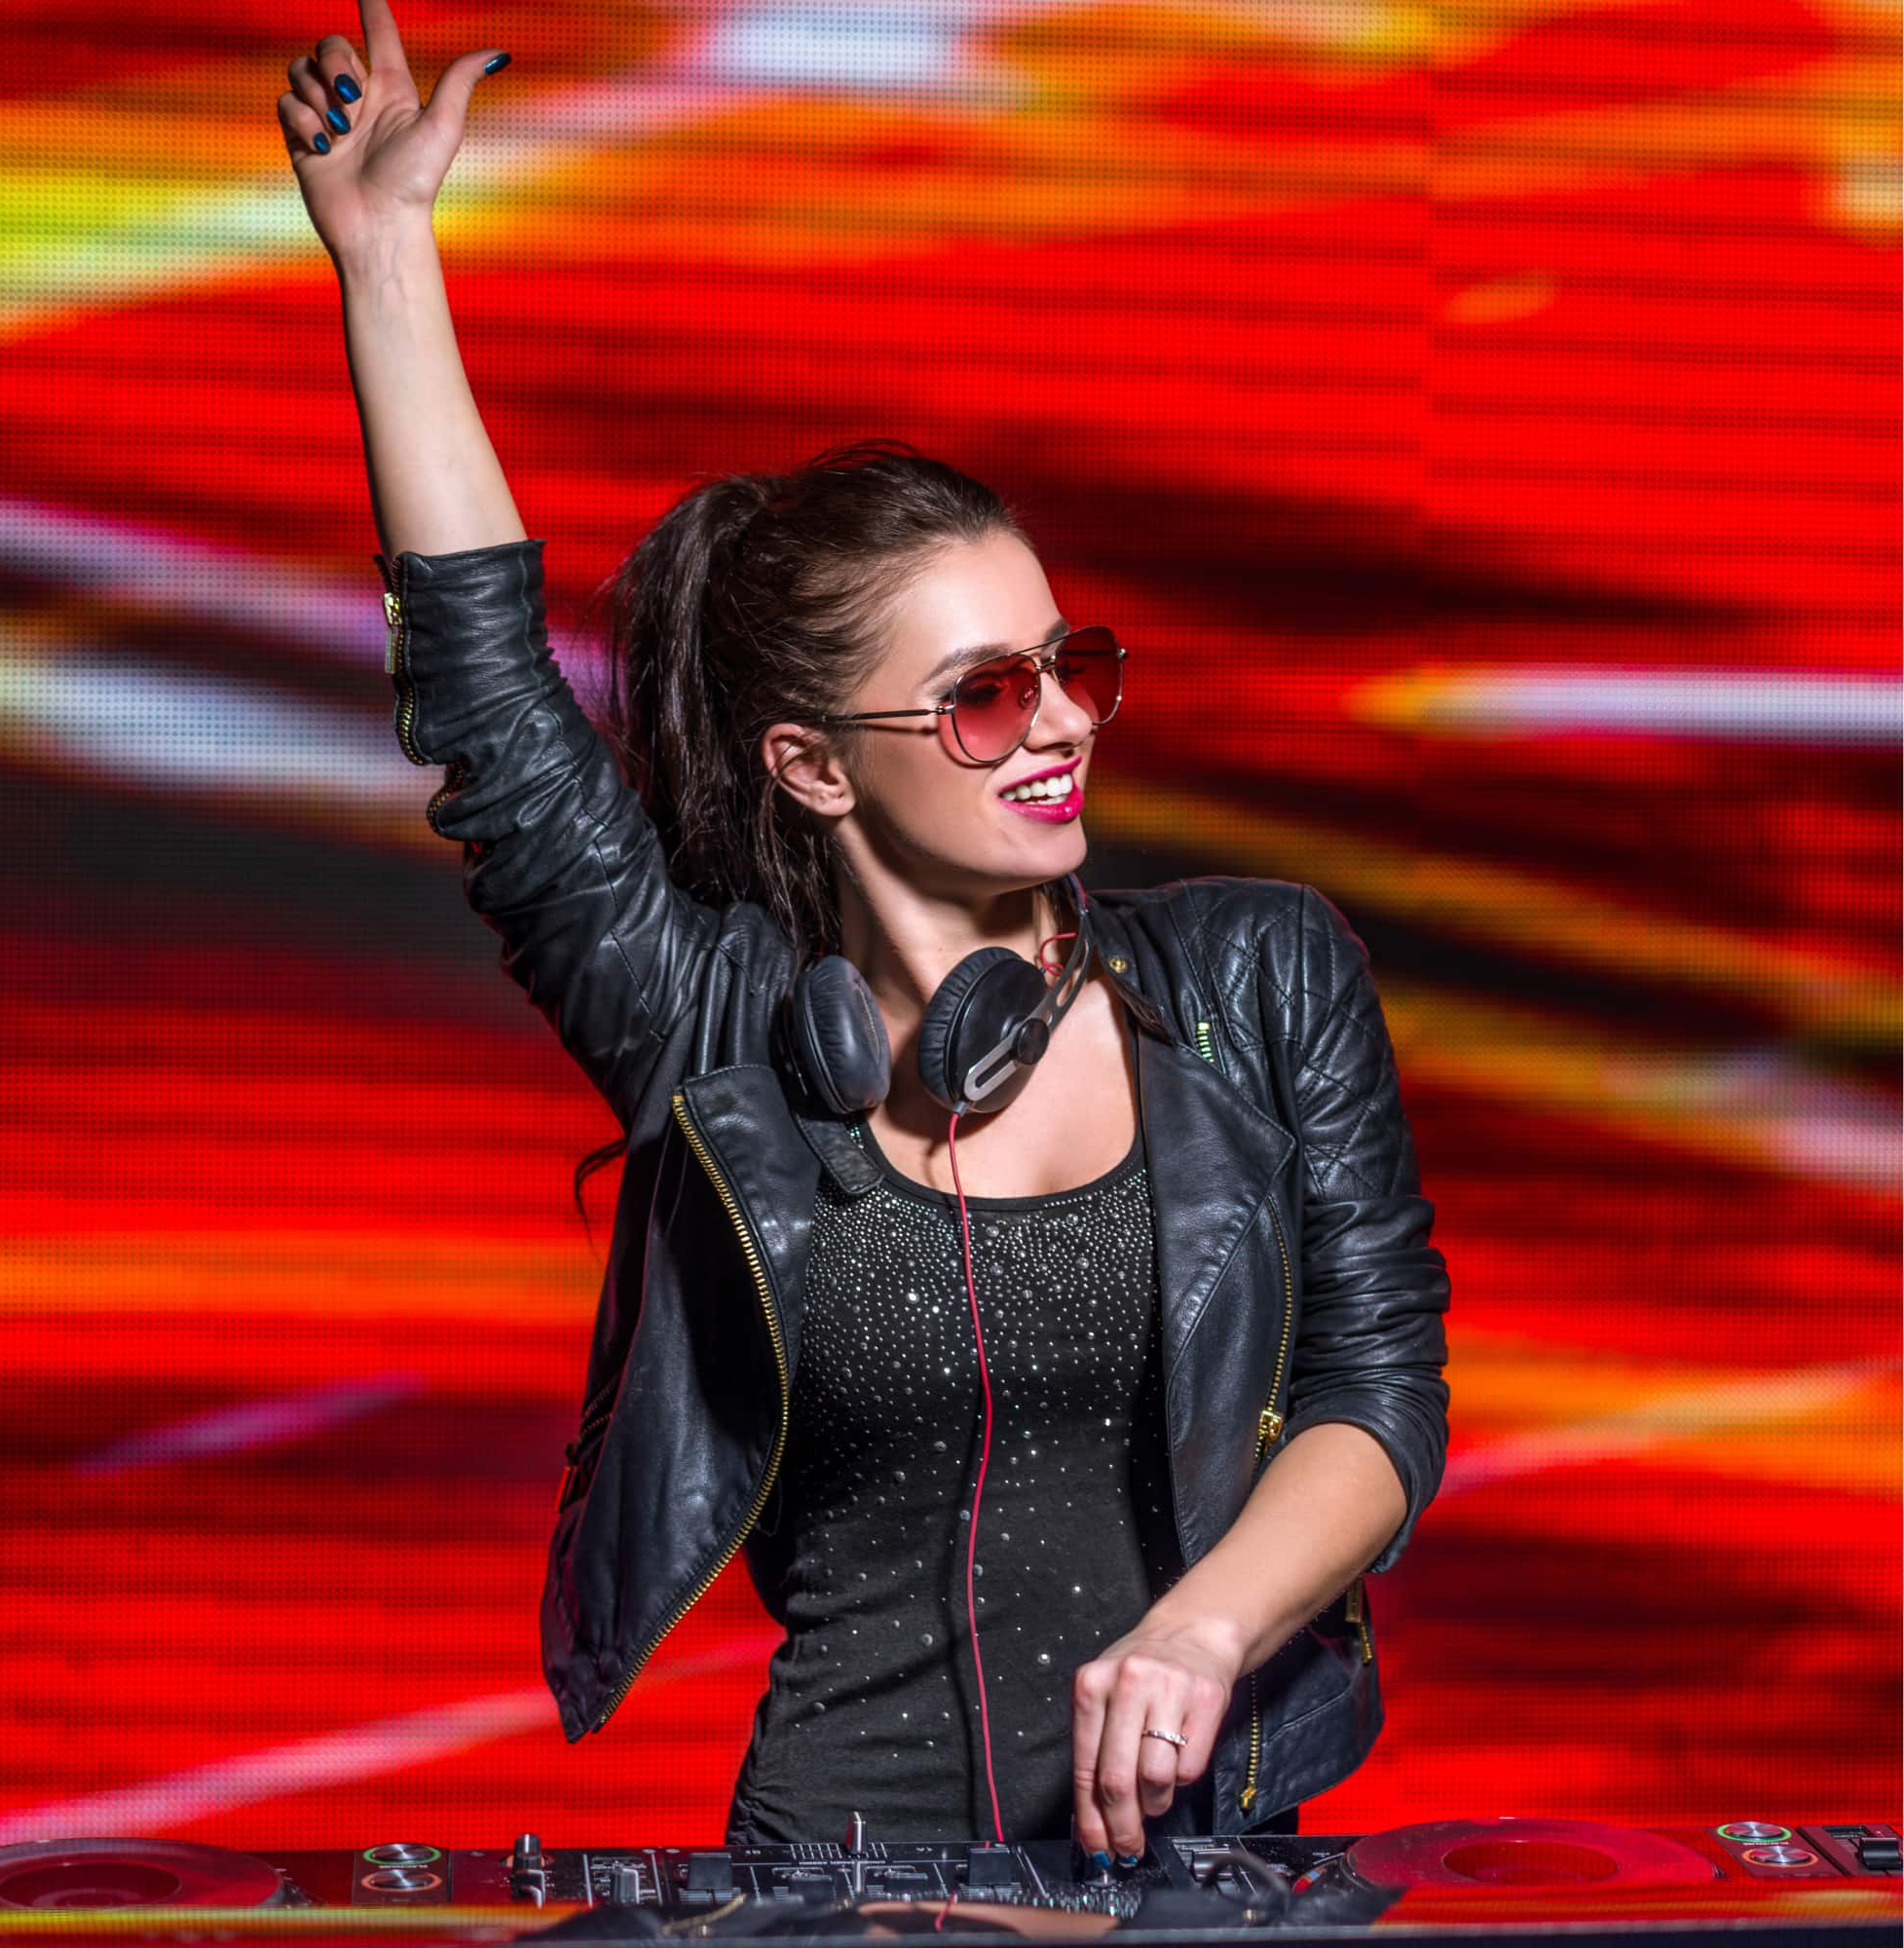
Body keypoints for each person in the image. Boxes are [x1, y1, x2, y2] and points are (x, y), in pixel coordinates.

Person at [280, 0, 1450, 1866]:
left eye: (1072, 666)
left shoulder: (1256, 977)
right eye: (986, 696)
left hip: (1209, 1861)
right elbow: (494, 716)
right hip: (832, 1871)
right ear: (817, 767)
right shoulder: (712, 1027)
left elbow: (1381, 1388)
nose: (1061, 718)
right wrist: (388, 259)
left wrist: (1209, 1621)